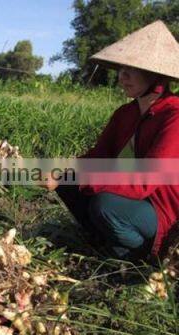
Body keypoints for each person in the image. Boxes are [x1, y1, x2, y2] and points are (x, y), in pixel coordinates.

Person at [47, 20, 179, 261]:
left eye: (131, 70)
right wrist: (63, 170)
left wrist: (83, 179)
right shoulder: (125, 113)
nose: (122, 77)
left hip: (159, 209)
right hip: (131, 197)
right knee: (69, 181)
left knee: (105, 205)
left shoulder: (174, 116)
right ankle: (104, 244)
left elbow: (145, 180)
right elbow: (99, 156)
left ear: (155, 75)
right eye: (120, 69)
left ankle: (143, 257)